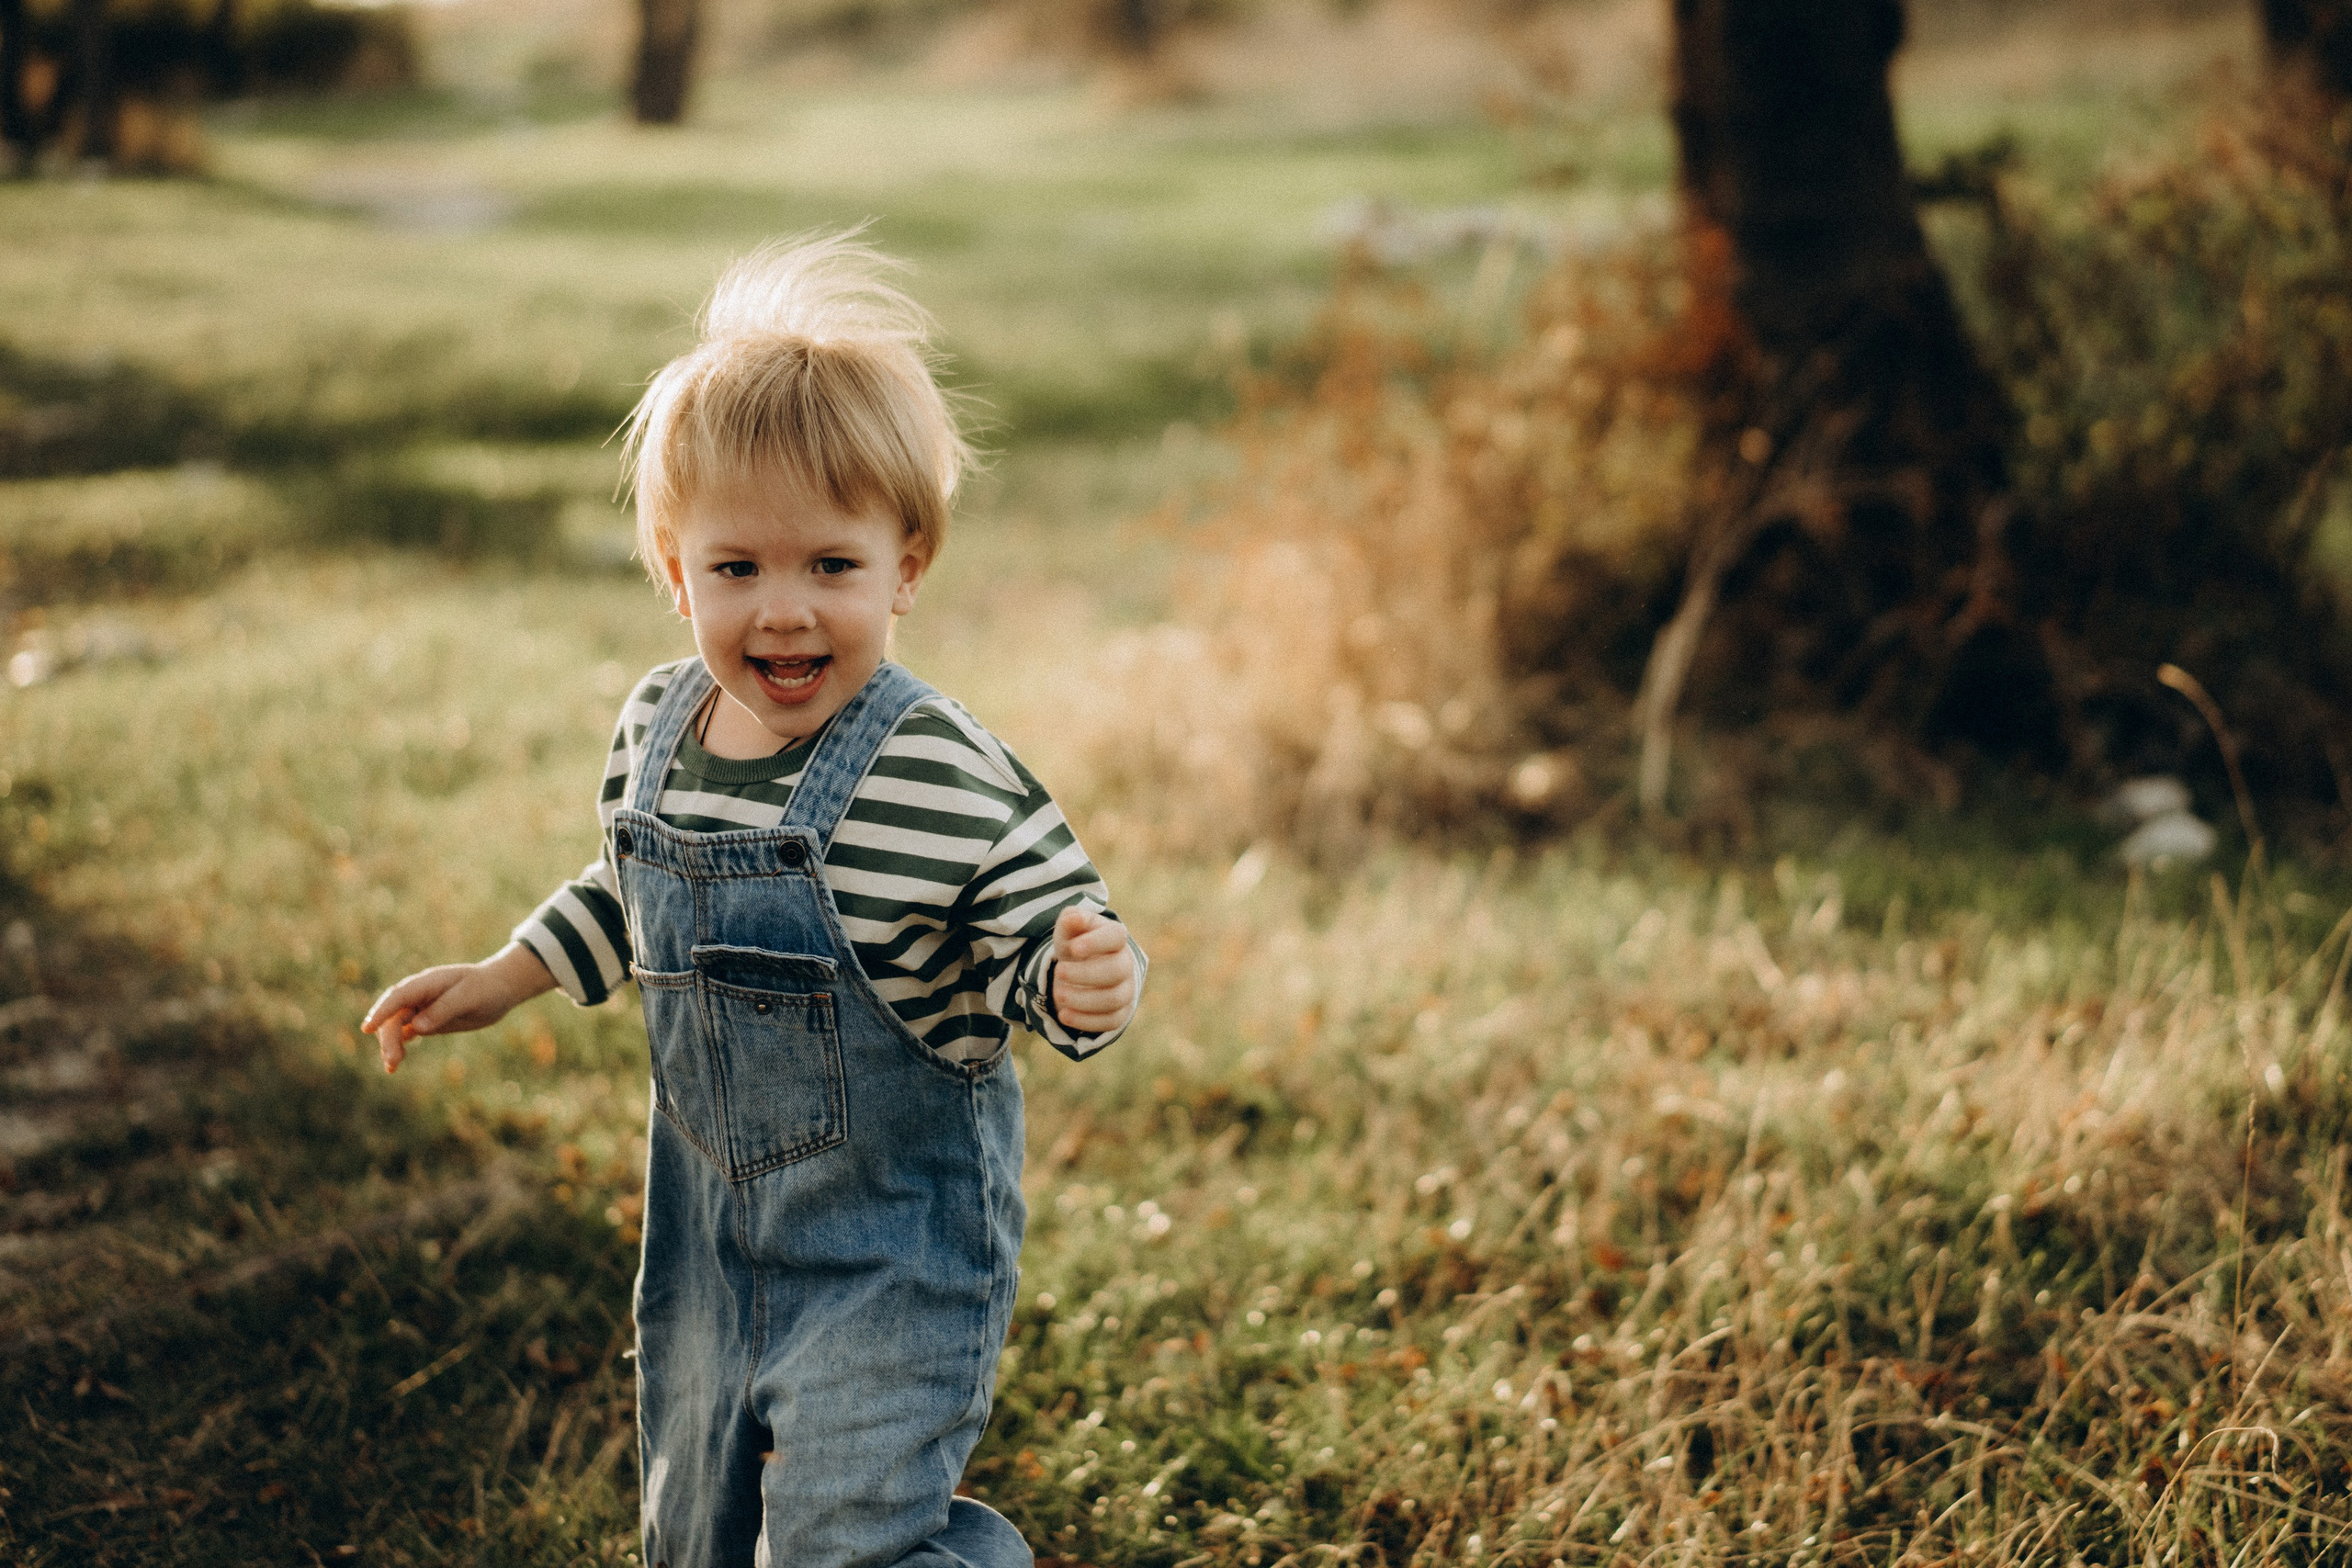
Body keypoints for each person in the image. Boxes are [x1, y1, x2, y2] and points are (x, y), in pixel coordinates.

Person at [361, 232, 1144, 1568]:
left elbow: (1029, 933)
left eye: (831, 567)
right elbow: (634, 887)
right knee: (695, 1538)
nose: (783, 614)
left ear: (907, 566)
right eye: (737, 570)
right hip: (703, 1252)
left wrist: (1074, 979)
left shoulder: (937, 765)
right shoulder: (659, 728)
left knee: (849, 1541)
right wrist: (507, 974)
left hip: (895, 1257)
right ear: (675, 570)